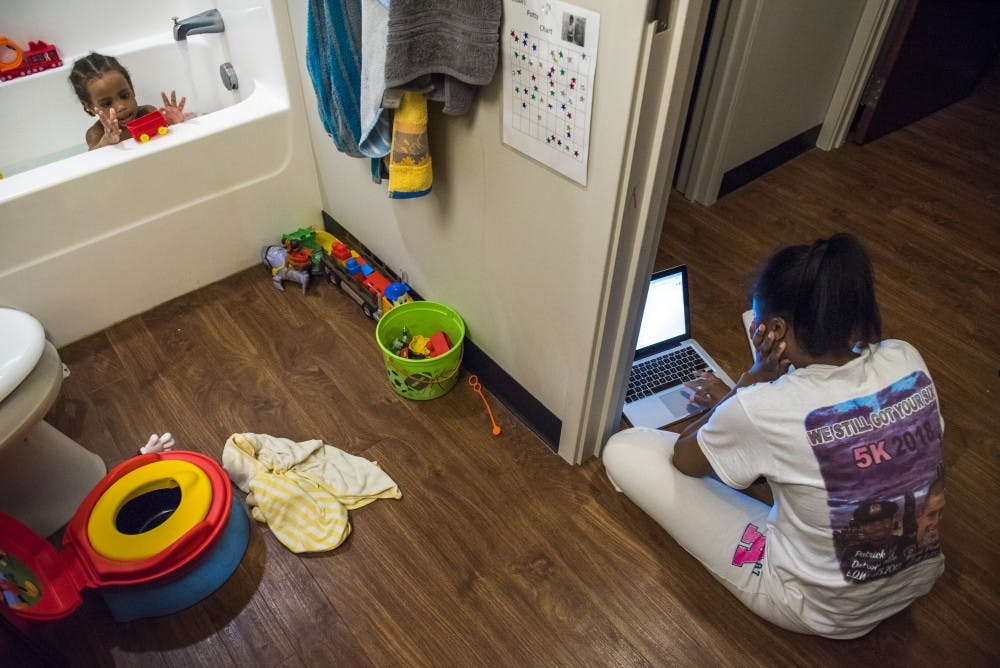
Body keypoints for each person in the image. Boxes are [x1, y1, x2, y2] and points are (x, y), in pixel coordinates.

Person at [603, 233, 945, 639]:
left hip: (816, 608)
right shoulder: (905, 357)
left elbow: (684, 459)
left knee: (624, 449)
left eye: (762, 323)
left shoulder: (764, 406)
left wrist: (749, 383)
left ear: (777, 330)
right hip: (912, 581)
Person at [68, 52, 188, 150]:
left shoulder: (147, 113)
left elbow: (168, 143)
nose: (121, 106)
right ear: (89, 106)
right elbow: (92, 164)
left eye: (124, 95)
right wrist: (106, 144)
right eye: (107, 104)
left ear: (132, 89)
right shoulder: (96, 134)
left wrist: (174, 123)